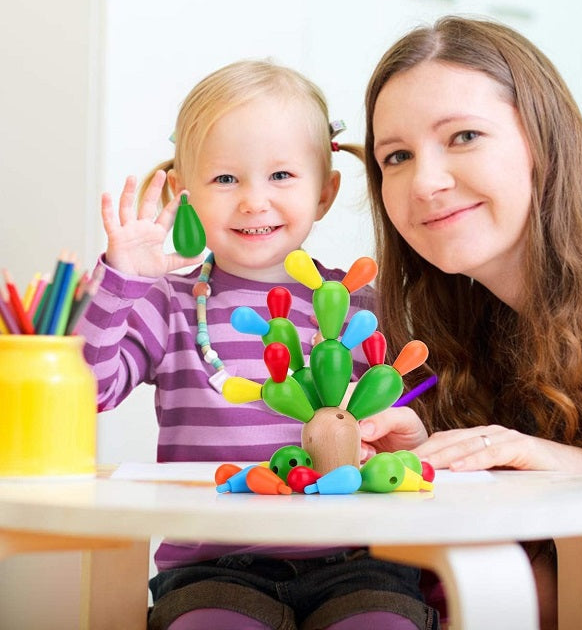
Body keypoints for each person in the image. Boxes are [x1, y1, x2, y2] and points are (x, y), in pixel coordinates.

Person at [357, 16, 582, 629]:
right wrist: (438, 479)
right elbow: (562, 591)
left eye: (465, 136)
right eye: (396, 156)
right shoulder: (446, 327)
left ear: (544, 141)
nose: (426, 181)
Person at [74, 60, 438, 630]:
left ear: (326, 192)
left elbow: (398, 441)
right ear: (182, 192)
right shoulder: (166, 304)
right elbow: (83, 390)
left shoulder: (359, 304)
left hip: (358, 565)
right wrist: (122, 277)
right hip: (213, 568)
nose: (253, 201)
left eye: (282, 176)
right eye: (225, 179)